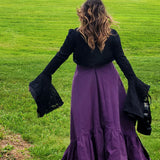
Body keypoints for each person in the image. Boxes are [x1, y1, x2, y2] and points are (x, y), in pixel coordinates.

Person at [29, 0, 151, 159]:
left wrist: (45, 76)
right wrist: (133, 80)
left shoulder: (75, 36)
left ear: (83, 14)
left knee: (86, 123)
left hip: (84, 83)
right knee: (110, 119)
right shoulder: (111, 36)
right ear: (103, 15)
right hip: (109, 82)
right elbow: (122, 60)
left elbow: (60, 56)